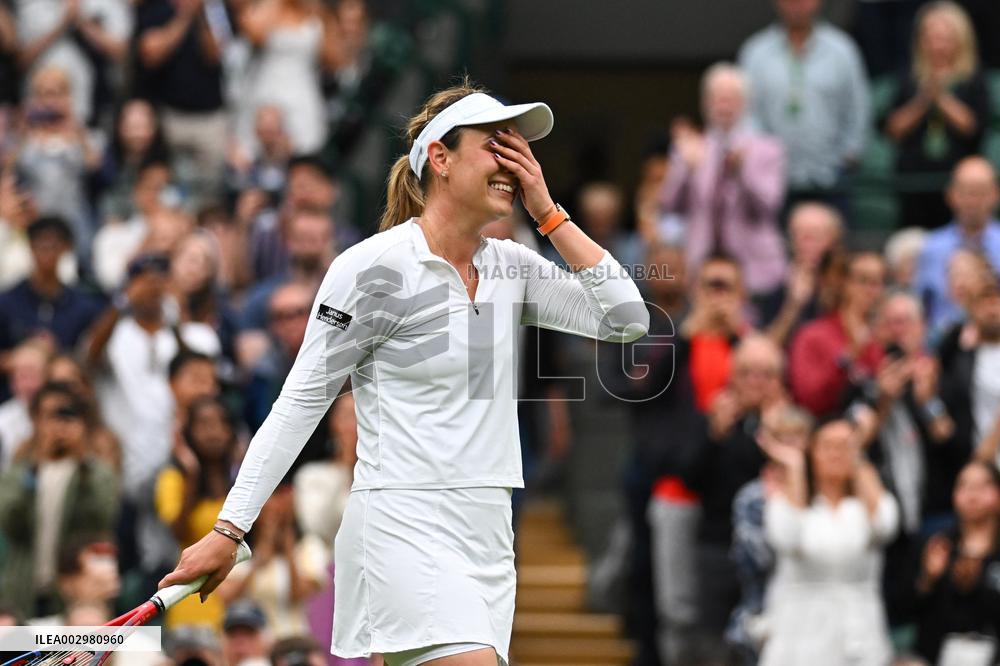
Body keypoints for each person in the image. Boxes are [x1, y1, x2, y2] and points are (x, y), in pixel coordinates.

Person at [160, 82, 649, 666]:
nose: (515, 163)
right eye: (497, 146)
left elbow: (627, 319)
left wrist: (547, 212)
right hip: (403, 525)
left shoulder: (514, 266)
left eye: (520, 149)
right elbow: (301, 402)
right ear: (439, 158)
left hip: (489, 537)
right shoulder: (371, 268)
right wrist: (230, 528)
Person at [759, 419, 899, 666]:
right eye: (827, 446)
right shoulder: (790, 502)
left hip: (860, 631)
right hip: (800, 635)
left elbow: (886, 525)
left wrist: (861, 464)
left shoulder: (863, 505)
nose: (837, 454)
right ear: (812, 451)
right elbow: (786, 536)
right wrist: (795, 467)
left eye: (846, 445)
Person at [659, 63, 787, 312]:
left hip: (753, 268)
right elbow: (669, 205)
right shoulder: (690, 146)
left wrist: (743, 173)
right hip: (701, 265)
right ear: (705, 103)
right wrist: (686, 168)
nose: (723, 106)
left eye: (730, 99)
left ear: (745, 103)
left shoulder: (768, 148)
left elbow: (769, 208)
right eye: (717, 99)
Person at [738, 0, 870, 214]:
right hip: (770, 184)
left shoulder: (842, 50)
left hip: (831, 180)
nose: (796, 3)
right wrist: (763, 161)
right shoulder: (755, 52)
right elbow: (747, 115)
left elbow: (858, 110)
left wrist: (848, 158)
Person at [0, 381, 120, 618]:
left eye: (67, 416)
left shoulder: (98, 473)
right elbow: (9, 521)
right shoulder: (19, 472)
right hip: (23, 591)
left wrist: (81, 461)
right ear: (36, 421)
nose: (59, 426)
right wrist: (35, 467)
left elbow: (100, 520)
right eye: (51, 416)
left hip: (74, 596)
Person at [884, 1, 990, 230]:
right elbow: (893, 128)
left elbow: (973, 127)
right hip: (913, 183)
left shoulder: (972, 79)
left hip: (957, 182)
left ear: (960, 40)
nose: (937, 45)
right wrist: (923, 99)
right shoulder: (909, 78)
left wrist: (941, 97)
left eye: (945, 38)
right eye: (930, 37)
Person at [155, 395, 237, 629]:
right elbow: (178, 531)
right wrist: (192, 475)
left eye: (221, 423)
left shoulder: (242, 481)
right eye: (204, 424)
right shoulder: (173, 479)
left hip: (238, 591)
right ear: (188, 432)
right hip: (191, 594)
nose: (214, 432)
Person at [911, 460, 1000, 664]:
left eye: (982, 486)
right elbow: (908, 609)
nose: (972, 494)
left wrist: (979, 587)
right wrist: (928, 579)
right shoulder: (936, 545)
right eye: (964, 485)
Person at [788, 252, 887, 418]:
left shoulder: (886, 335)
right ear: (844, 283)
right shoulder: (812, 335)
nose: (872, 291)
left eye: (878, 282)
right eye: (863, 281)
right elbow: (808, 398)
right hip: (828, 429)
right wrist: (847, 358)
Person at [236, 0, 339, 154]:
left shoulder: (318, 13)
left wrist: (324, 17)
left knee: (302, 149)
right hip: (267, 88)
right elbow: (252, 32)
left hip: (302, 93)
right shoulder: (272, 6)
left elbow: (333, 59)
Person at [914, 156, 1000, 337]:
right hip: (942, 350)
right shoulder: (931, 248)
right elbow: (919, 309)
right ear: (951, 195)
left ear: (995, 194)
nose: (973, 201)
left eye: (981, 192)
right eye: (967, 192)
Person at [0, 216, 103, 353]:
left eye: (53, 245)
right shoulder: (7, 303)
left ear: (67, 247)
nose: (47, 251)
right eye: (40, 244)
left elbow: (90, 356)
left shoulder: (83, 307)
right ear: (30, 246)